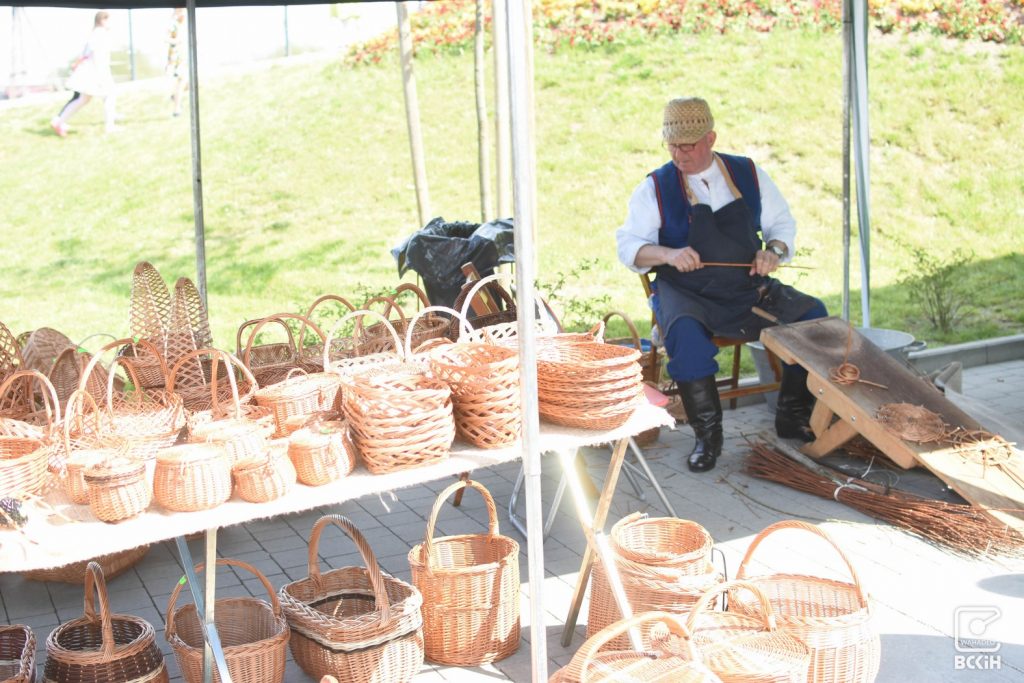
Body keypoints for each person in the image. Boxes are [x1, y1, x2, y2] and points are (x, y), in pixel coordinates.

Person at [616, 97, 828, 473]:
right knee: (687, 339)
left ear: (710, 138)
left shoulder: (747, 174)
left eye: (689, 145)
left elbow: (782, 228)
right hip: (686, 293)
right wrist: (667, 254)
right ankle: (707, 437)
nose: (680, 154)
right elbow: (629, 247)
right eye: (673, 146)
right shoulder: (656, 187)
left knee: (814, 319)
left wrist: (773, 252)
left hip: (745, 288)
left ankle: (793, 414)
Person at [50, 10, 117, 137]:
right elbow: (97, 55)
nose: (110, 23)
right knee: (108, 95)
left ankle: (59, 121)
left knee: (84, 99)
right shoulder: (99, 34)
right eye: (108, 20)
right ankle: (110, 126)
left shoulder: (97, 34)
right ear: (103, 20)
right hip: (95, 71)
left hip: (92, 70)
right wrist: (102, 74)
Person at [166, 7, 188, 117]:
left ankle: (175, 97)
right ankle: (176, 109)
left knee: (185, 82)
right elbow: (166, 38)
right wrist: (177, 41)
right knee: (182, 80)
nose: (184, 13)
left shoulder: (183, 23)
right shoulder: (173, 23)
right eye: (181, 10)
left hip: (183, 55)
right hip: (177, 57)